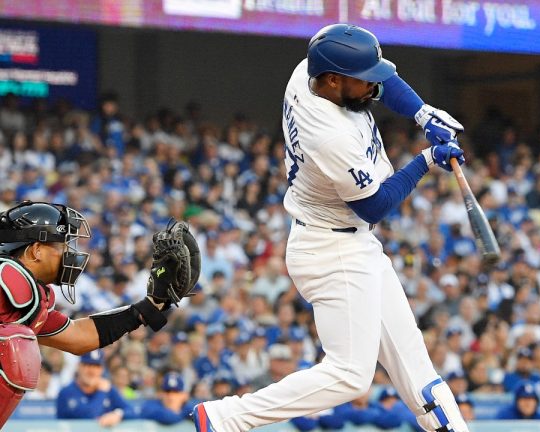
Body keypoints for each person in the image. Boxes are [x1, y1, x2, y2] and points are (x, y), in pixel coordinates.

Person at [193, 23, 468, 432]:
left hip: (350, 245)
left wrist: (422, 112)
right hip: (331, 248)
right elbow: (374, 206)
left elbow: (383, 77)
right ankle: (224, 418)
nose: (374, 88)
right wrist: (425, 161)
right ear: (333, 81)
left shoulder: (312, 69)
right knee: (351, 374)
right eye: (363, 82)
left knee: (418, 373)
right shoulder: (328, 135)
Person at [0, 201, 196, 428]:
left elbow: (78, 337)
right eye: (62, 245)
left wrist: (149, 307)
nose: (68, 253)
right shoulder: (6, 282)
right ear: (36, 250)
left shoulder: (26, 302)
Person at [56, 350, 136, 427]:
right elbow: (89, 417)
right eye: (88, 365)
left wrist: (118, 414)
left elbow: (132, 411)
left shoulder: (109, 389)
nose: (92, 371)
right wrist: (101, 393)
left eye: (96, 366)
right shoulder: (66, 393)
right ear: (79, 366)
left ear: (102, 369)